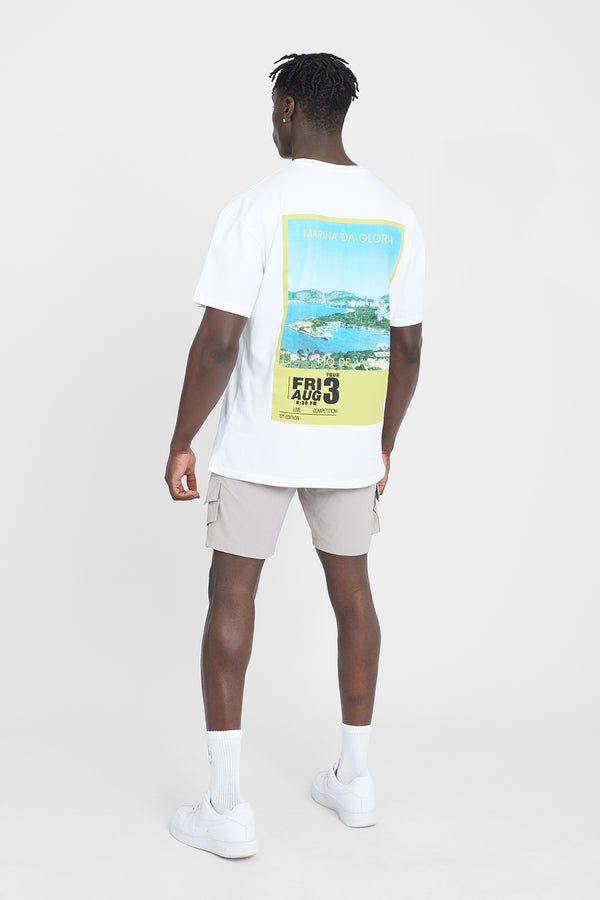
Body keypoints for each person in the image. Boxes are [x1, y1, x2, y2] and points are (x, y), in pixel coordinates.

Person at [165, 51, 425, 859]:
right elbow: (408, 348)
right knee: (354, 595)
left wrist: (181, 438)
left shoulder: (257, 206)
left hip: (259, 444)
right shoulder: (396, 214)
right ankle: (356, 781)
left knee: (232, 593)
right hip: (349, 447)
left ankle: (226, 806)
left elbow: (219, 342)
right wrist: (383, 440)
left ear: (286, 109)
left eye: (272, 111)